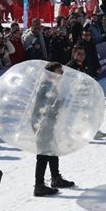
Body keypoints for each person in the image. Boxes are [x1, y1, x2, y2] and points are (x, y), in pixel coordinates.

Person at [32, 62, 75, 196]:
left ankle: (55, 177)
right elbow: (45, 106)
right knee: (43, 155)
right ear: (51, 73)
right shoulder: (46, 86)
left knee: (52, 150)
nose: (61, 74)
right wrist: (61, 104)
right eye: (59, 72)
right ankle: (39, 185)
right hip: (42, 124)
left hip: (47, 123)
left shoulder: (50, 85)